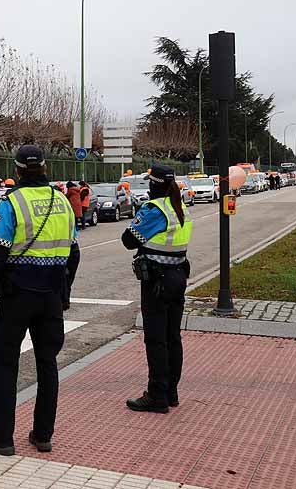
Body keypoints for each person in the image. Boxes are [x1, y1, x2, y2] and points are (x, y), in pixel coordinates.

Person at [0, 145, 80, 456]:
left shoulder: (12, 202)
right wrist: (65, 292)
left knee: (6, 366)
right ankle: (43, 435)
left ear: (17, 170)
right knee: (48, 365)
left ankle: (1, 438)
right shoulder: (61, 200)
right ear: (45, 168)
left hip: (17, 296)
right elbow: (73, 254)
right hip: (50, 298)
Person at [122, 164, 192, 413]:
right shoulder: (178, 206)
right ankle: (171, 392)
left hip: (157, 282)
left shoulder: (154, 209)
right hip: (178, 276)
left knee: (156, 340)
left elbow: (129, 240)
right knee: (173, 337)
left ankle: (157, 396)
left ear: (153, 184)